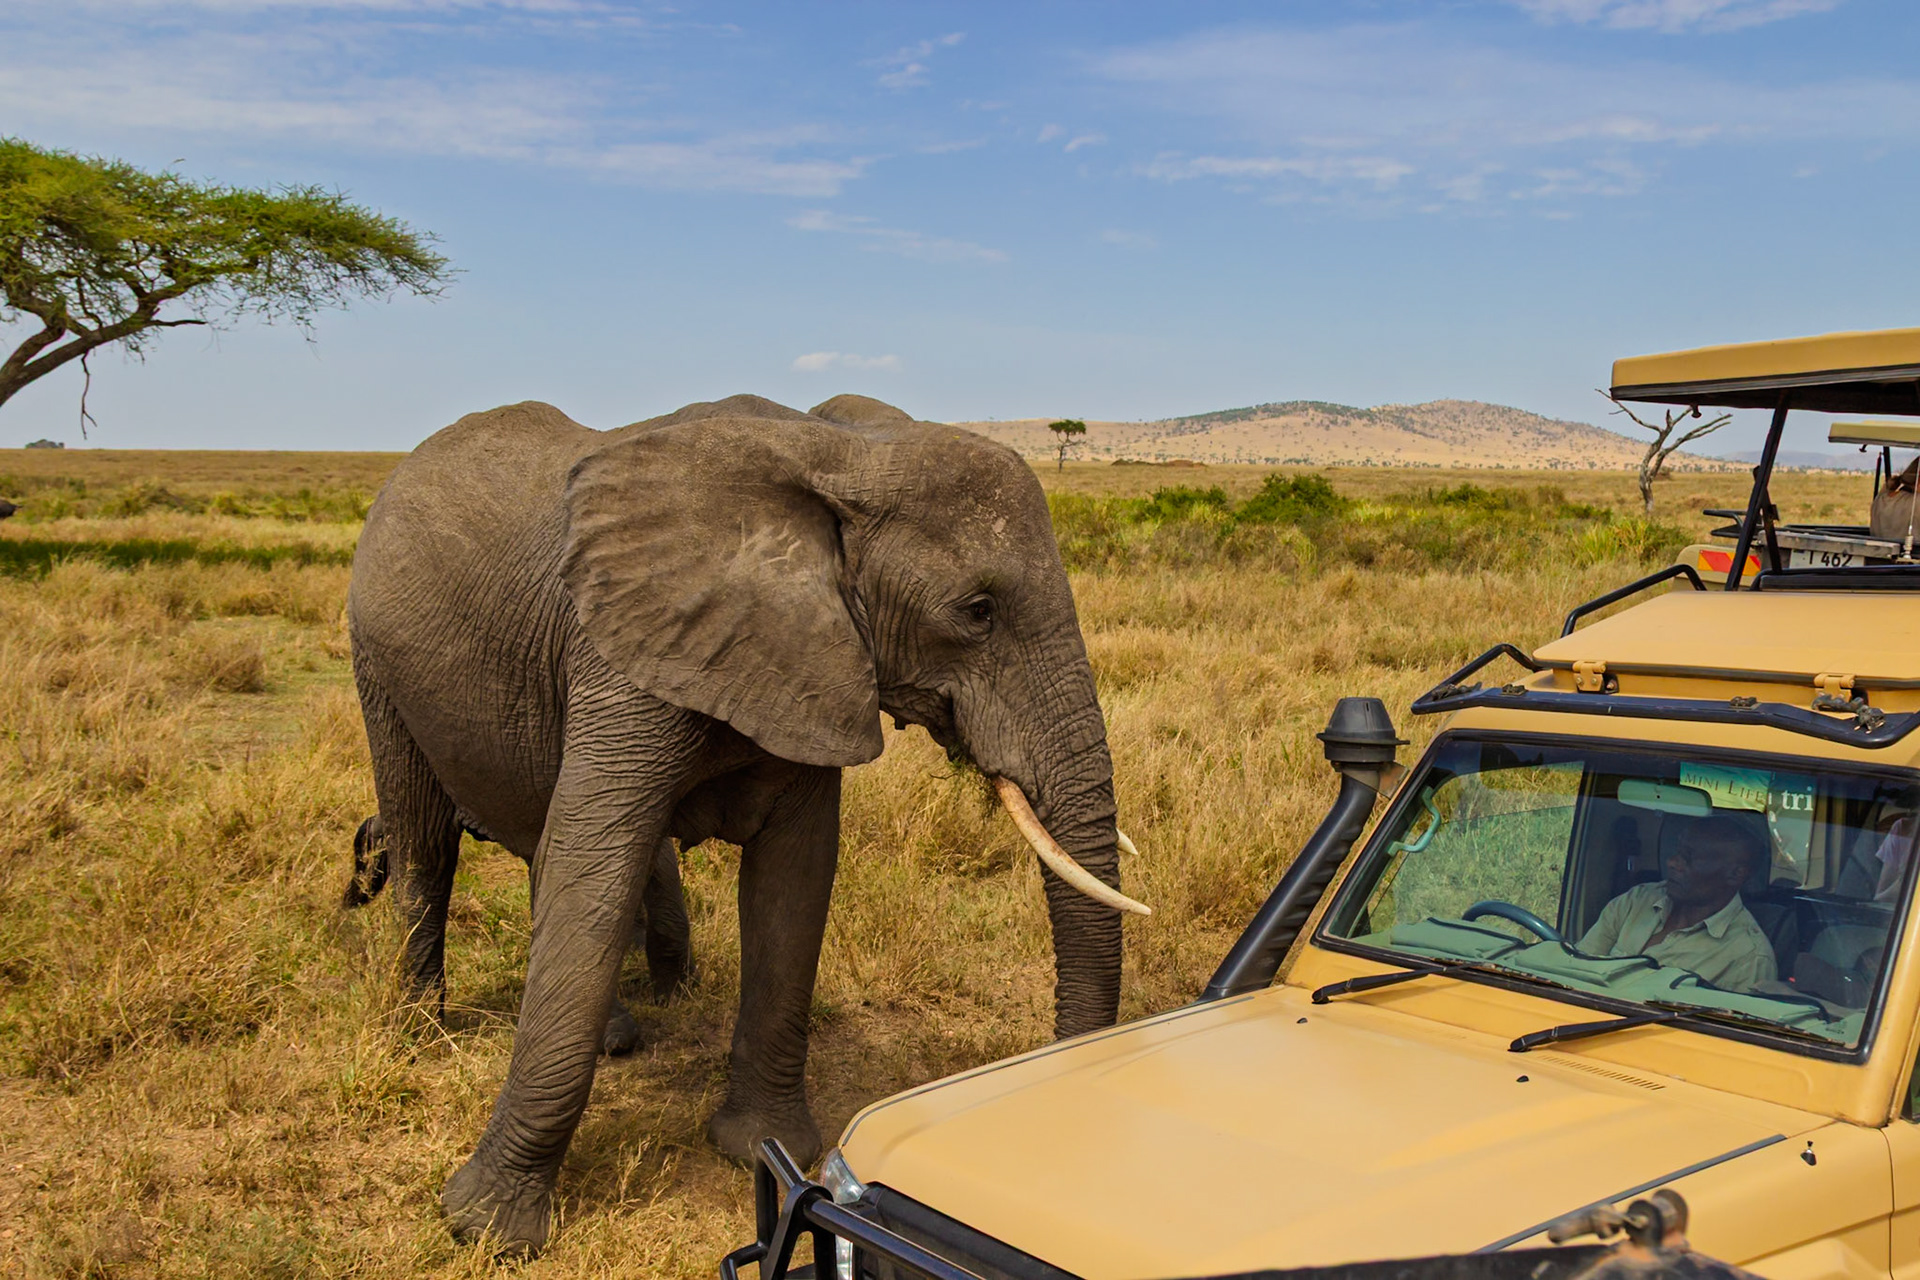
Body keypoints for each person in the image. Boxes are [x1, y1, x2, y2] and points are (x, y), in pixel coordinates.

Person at [1577, 813, 1777, 991]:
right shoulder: (1637, 900)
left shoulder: (1748, 958)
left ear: (1735, 874)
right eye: (1677, 852)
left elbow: (1731, 1031)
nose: (1672, 862)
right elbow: (1575, 969)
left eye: (1688, 858)